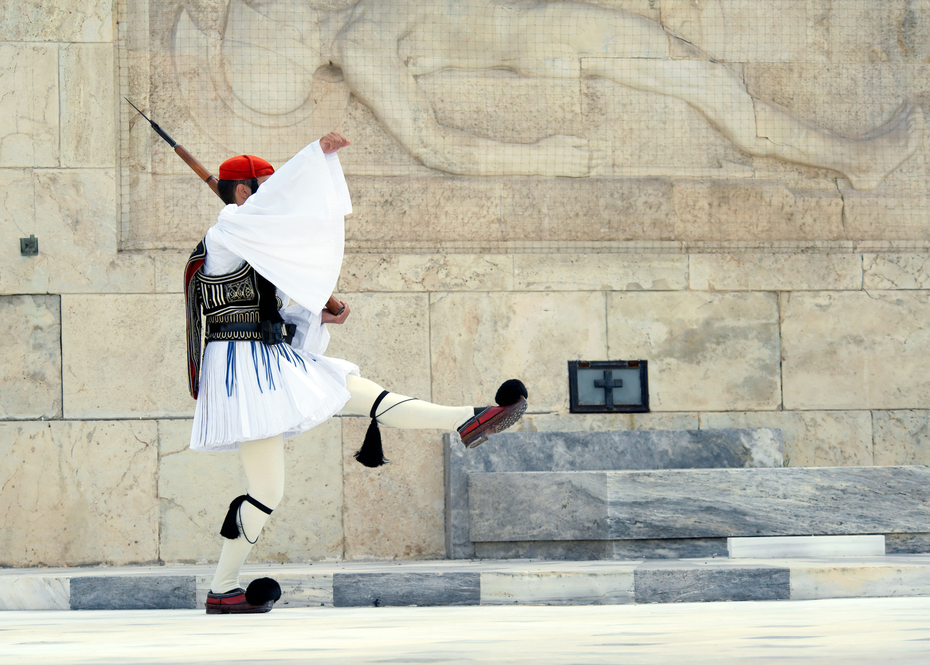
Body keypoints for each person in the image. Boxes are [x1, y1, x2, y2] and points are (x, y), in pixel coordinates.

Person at [185, 131, 529, 614]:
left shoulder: (255, 241)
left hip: (272, 358)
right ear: (242, 193)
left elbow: (276, 306)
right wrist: (314, 157)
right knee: (267, 492)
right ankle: (223, 587)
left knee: (361, 391)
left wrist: (316, 315)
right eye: (265, 187)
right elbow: (269, 225)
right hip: (242, 373)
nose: (274, 196)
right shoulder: (228, 233)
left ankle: (469, 418)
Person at [179, 0, 923, 190]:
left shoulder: (363, 18)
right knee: (711, 87)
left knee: (705, 78)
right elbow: (436, 144)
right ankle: (857, 161)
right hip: (551, 35)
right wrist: (540, 160)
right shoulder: (364, 48)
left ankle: (853, 157)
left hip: (547, 23)